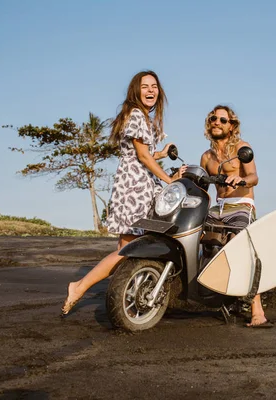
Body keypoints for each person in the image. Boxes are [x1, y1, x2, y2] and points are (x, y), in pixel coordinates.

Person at [61, 70, 186, 316]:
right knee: (129, 248)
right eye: (145, 87)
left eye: (154, 87)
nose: (151, 91)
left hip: (131, 183)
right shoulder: (138, 115)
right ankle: (80, 286)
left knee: (126, 246)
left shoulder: (138, 116)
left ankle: (124, 293)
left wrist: (160, 153)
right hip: (135, 188)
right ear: (135, 91)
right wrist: (170, 179)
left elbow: (140, 153)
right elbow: (141, 156)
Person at [200, 105, 271, 328]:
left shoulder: (242, 148)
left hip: (241, 204)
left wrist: (240, 180)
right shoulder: (206, 157)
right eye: (213, 118)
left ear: (232, 126)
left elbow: (254, 177)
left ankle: (257, 309)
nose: (217, 122)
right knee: (199, 241)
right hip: (219, 207)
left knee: (241, 248)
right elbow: (202, 189)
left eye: (223, 120)